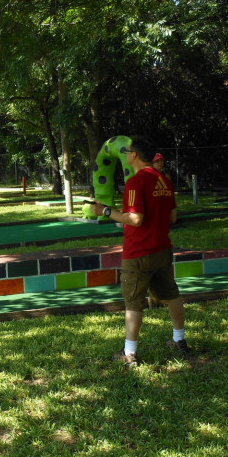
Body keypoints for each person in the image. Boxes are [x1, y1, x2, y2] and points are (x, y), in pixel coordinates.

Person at [91, 136, 187, 366]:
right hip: (162, 249)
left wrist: (105, 211)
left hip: (138, 252)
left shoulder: (135, 182)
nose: (126, 155)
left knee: (133, 301)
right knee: (172, 294)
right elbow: (173, 217)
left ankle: (129, 353)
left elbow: (135, 219)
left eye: (127, 152)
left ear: (134, 155)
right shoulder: (164, 180)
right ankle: (179, 340)